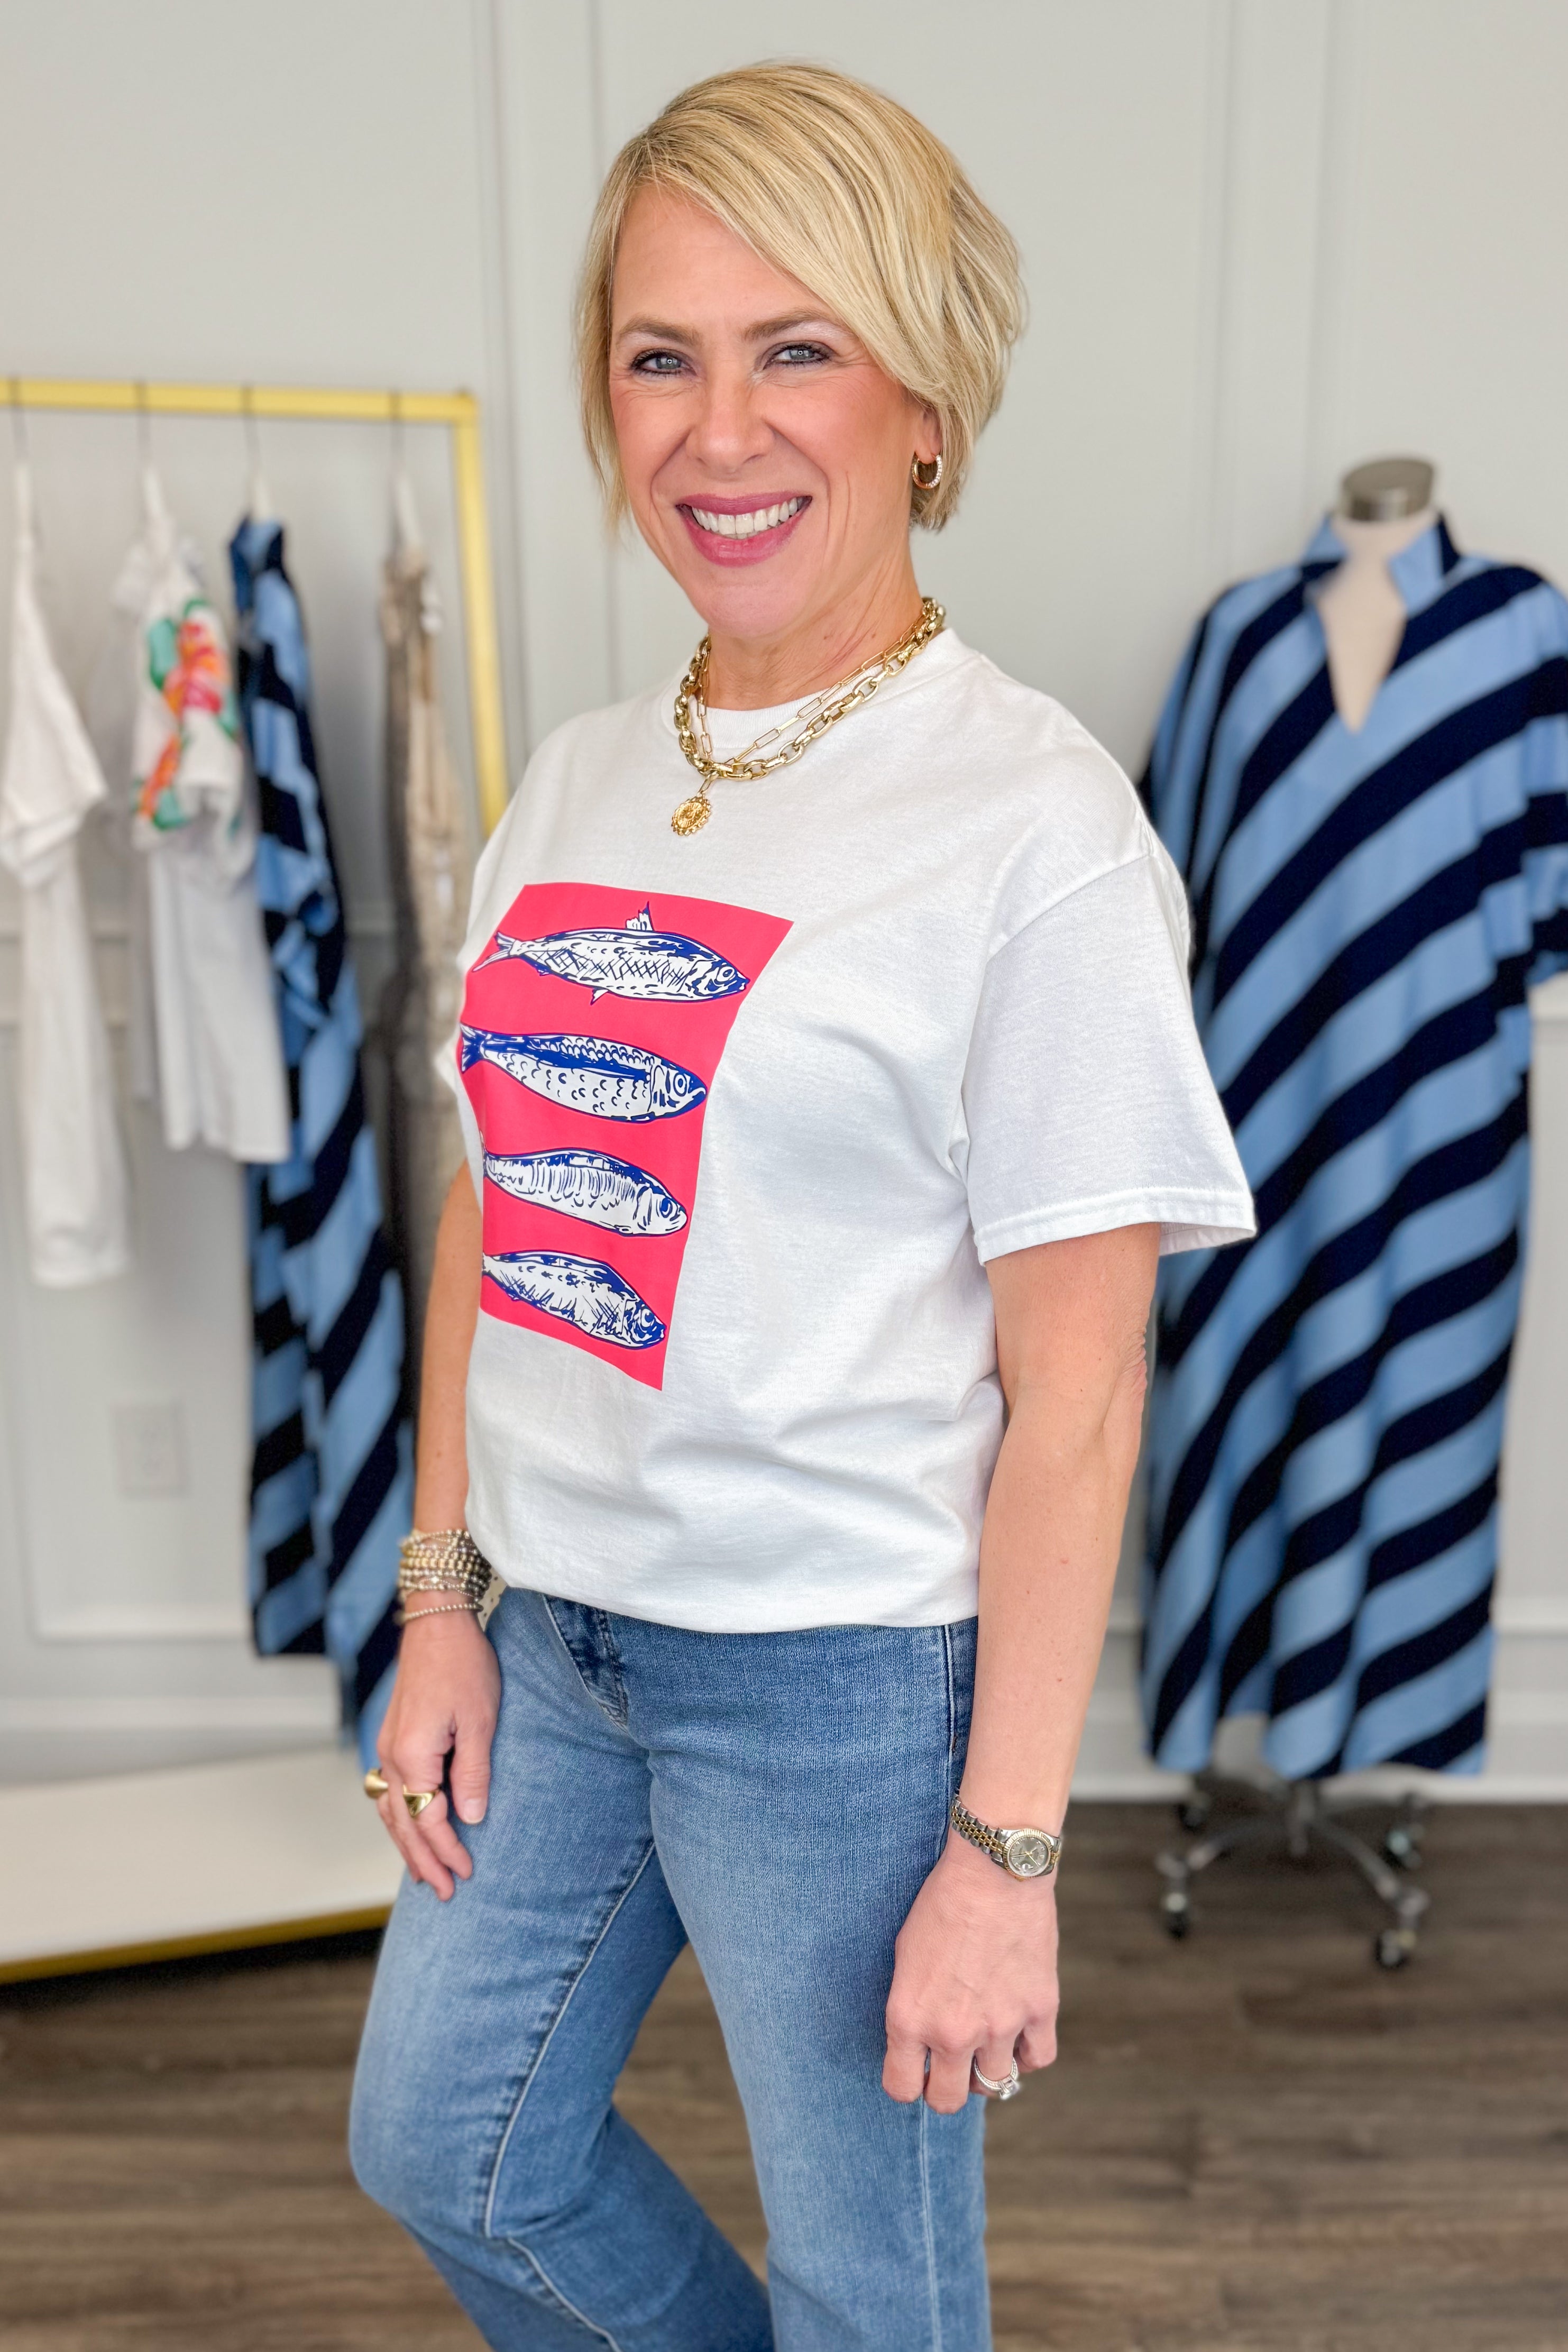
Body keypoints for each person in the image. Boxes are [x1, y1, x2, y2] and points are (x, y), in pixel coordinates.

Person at [349, 60, 1253, 2352]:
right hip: (550, 1642)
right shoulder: (574, 774)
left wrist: (1007, 1849)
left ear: (929, 400)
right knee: (447, 2140)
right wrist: (442, 1581)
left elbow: (1074, 1394)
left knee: (875, 2286)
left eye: (798, 349)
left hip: (834, 1689)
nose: (718, 431)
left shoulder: (1030, 832)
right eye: (662, 356)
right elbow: (499, 1199)